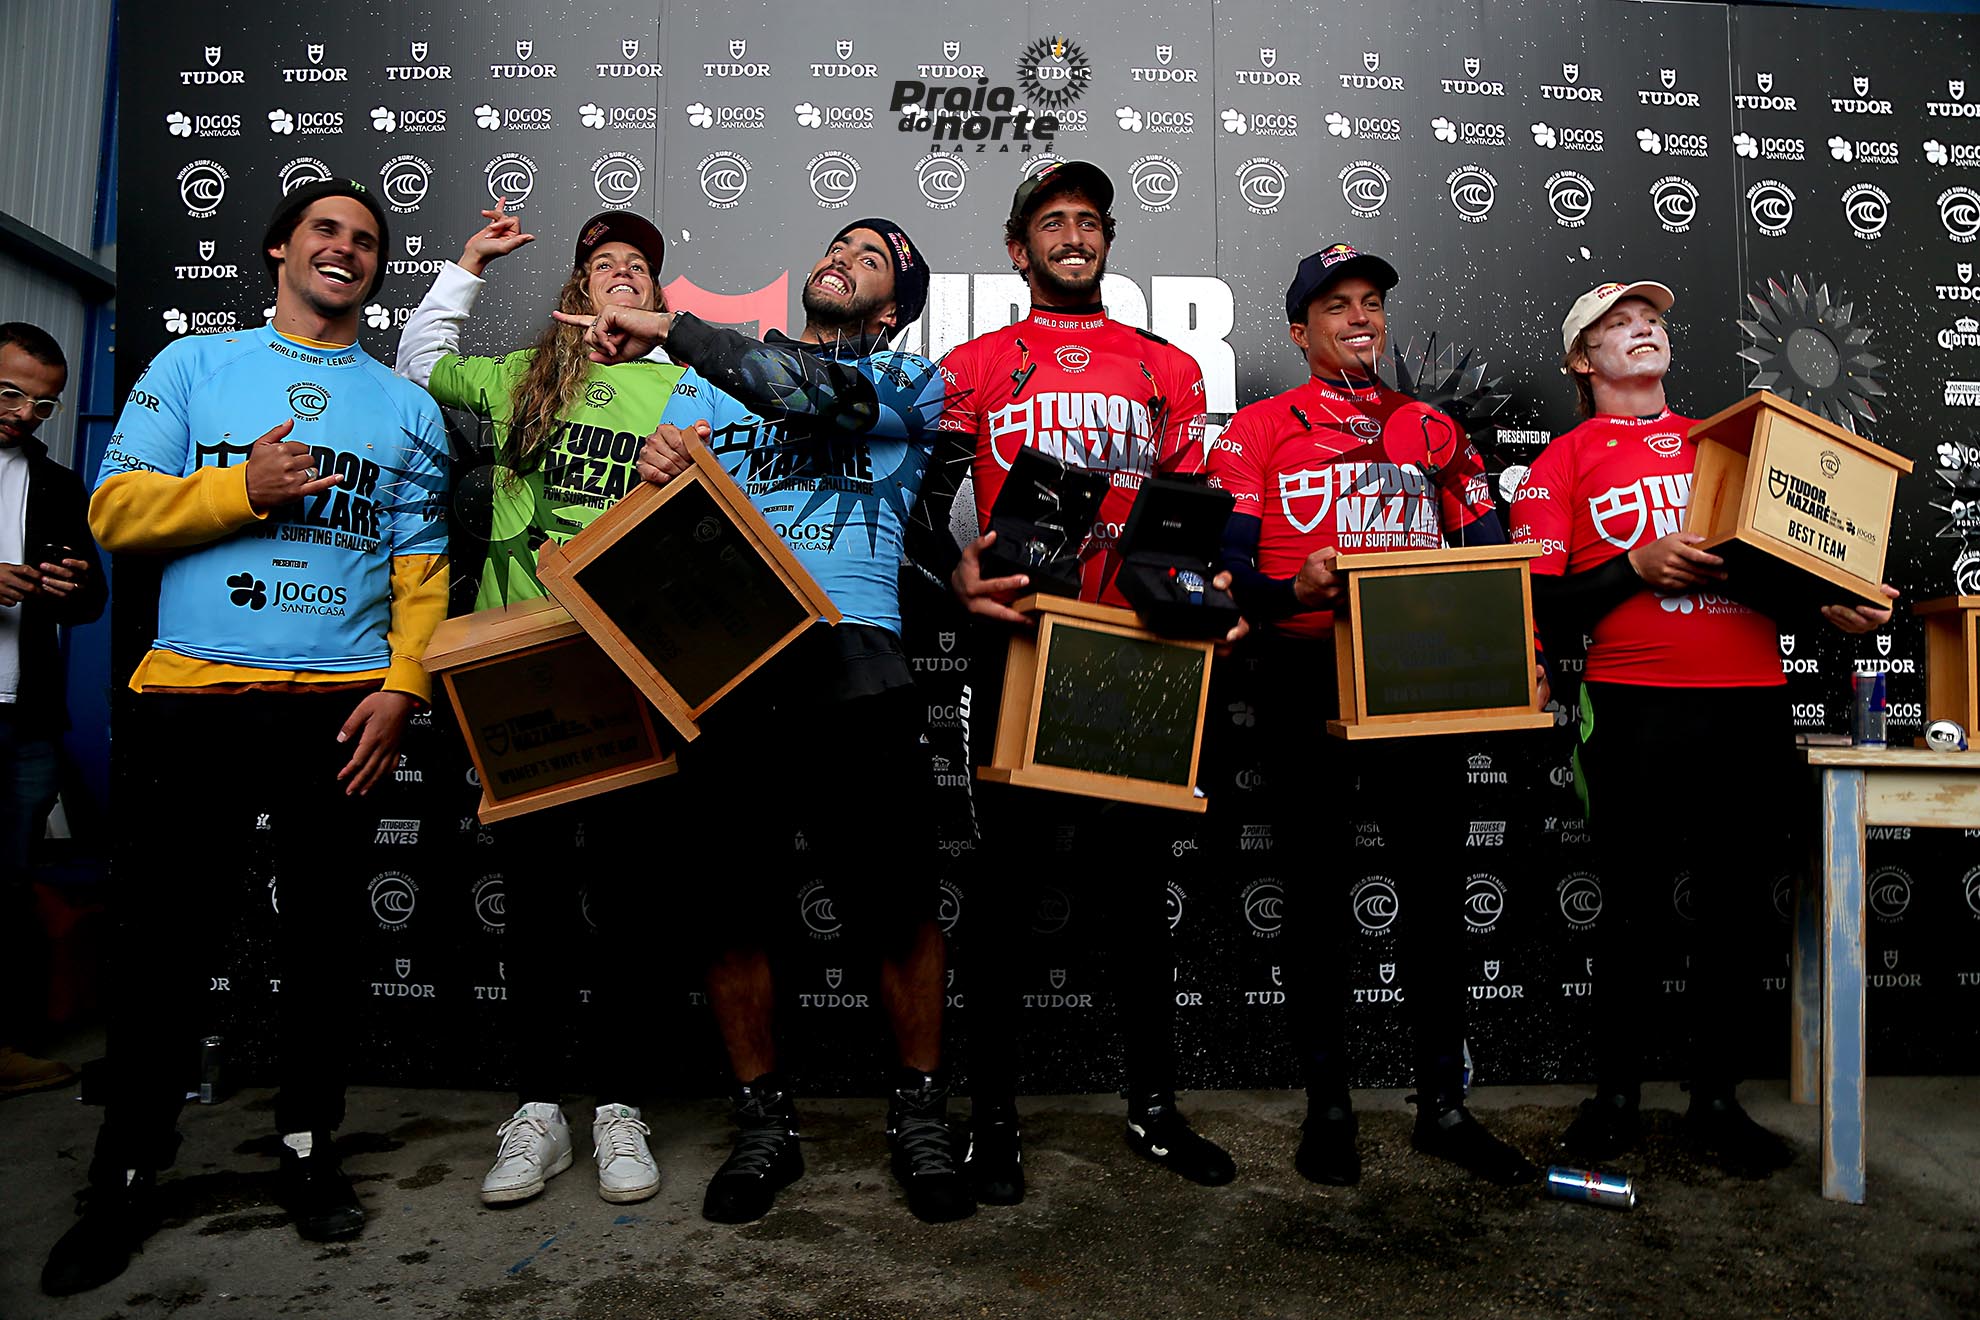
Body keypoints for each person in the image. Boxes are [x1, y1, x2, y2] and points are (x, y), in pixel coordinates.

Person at [42, 178, 448, 1296]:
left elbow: (424, 573)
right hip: (197, 700)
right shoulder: (192, 369)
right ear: (279, 249)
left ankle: (311, 1151)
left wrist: (404, 689)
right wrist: (240, 492)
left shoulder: (403, 406)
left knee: (325, 950)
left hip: (340, 713)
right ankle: (124, 1172)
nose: (347, 250)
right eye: (326, 230)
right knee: (165, 947)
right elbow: (115, 513)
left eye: (366, 241)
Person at [553, 217, 964, 1223]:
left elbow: (803, 394)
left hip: (856, 659)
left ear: (898, 303)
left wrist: (666, 327)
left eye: (871, 258)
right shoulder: (705, 383)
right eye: (836, 246)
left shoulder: (915, 380)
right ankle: (763, 1124)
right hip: (728, 663)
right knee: (732, 911)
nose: (842, 258)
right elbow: (671, 496)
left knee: (901, 907)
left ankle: (917, 1117)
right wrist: (656, 469)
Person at [1512, 280, 1895, 1175]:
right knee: (1632, 912)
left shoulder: (1733, 445)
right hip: (1634, 706)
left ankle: (1716, 1102)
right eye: (1616, 324)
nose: (1642, 329)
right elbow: (1539, 602)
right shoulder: (1560, 462)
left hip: (1750, 701)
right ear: (1582, 360)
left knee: (1733, 910)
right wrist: (1635, 566)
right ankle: (1615, 1100)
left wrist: (1839, 601)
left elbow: (1787, 574)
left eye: (1651, 320)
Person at [939, 161, 1247, 1203]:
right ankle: (991, 1124)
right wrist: (954, 574)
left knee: (1135, 891)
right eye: (1050, 222)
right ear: (1019, 251)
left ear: (1106, 240)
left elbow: (1201, 509)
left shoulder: (1169, 367)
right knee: (1002, 895)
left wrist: (1216, 590)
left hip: (1133, 650)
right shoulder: (972, 365)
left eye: (1088, 220)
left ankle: (1155, 1109)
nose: (1073, 234)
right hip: (1021, 646)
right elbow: (923, 507)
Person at [1206, 242, 1541, 1187]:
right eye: (1336, 305)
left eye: (1371, 304)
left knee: (1435, 896)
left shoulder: (1434, 430)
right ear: (1299, 330)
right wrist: (1290, 586)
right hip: (1302, 672)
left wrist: (1526, 658)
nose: (1359, 318)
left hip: (1419, 681)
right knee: (1313, 897)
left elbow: (1488, 554)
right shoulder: (1260, 430)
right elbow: (1228, 580)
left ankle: (1444, 1106)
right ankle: (1331, 1108)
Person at [395, 205, 685, 1208]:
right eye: (603, 263)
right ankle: (535, 1110)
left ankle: (618, 1107)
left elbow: (726, 513)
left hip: (625, 673)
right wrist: (469, 264)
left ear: (656, 298)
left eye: (637, 268)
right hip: (519, 671)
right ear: (576, 289)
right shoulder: (527, 374)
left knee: (632, 908)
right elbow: (418, 363)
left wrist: (687, 471)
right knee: (536, 910)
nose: (620, 275)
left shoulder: (682, 383)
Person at [0, 322, 105, 1098]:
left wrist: (72, 589)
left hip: (24, 719)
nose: (26, 413)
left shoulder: (59, 483)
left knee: (8, 884)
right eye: (11, 393)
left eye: (45, 403)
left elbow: (91, 595)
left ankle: (3, 1046)